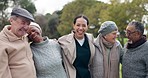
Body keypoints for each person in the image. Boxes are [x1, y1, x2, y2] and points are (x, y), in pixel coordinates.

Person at [0, 7, 36, 78]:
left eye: (28, 24)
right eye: (23, 23)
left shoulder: (24, 37)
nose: (26, 27)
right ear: (11, 20)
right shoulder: (2, 42)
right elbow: (3, 74)